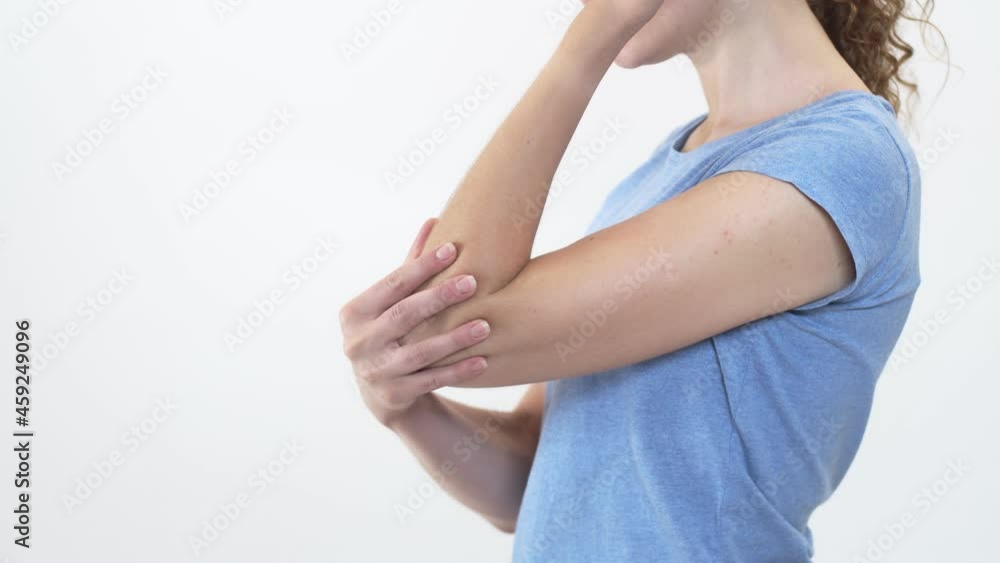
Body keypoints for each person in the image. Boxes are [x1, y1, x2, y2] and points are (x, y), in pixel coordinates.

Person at [339, 0, 942, 560]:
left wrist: (587, 42)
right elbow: (524, 479)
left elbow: (446, 324)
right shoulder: (661, 174)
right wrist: (404, 406)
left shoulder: (840, 159)